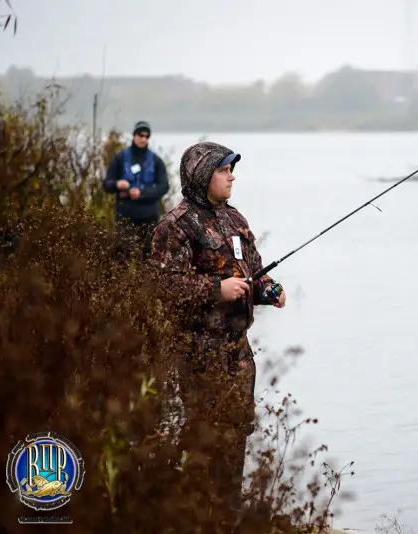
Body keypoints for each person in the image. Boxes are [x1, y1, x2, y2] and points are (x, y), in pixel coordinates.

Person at [149, 141, 286, 496]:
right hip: (197, 354)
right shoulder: (175, 226)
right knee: (201, 439)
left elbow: (252, 272)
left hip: (239, 355)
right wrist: (215, 289)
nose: (231, 177)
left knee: (237, 434)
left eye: (230, 170)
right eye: (224, 171)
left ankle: (228, 512)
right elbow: (164, 285)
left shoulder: (234, 218)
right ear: (202, 175)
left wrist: (268, 290)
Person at [103, 120, 169, 260]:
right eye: (141, 135)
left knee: (148, 256)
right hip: (125, 216)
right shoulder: (120, 158)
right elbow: (107, 185)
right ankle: (122, 281)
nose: (144, 139)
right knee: (122, 255)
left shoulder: (157, 161)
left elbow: (164, 187)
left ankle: (143, 282)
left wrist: (143, 193)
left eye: (147, 136)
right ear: (134, 135)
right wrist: (117, 184)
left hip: (149, 217)